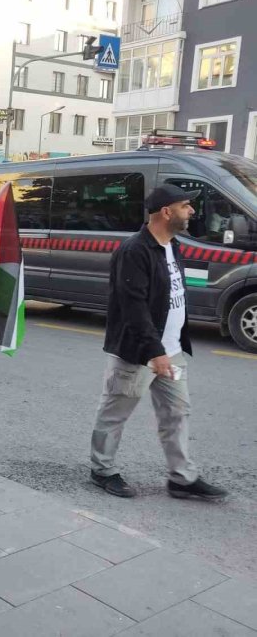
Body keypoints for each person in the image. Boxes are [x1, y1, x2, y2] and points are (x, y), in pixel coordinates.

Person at [90, 183, 228, 501]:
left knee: (177, 412)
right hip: (138, 354)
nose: (191, 211)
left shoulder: (172, 245)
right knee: (115, 412)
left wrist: (170, 348)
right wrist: (154, 352)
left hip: (172, 354)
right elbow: (133, 306)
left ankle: (181, 479)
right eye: (185, 206)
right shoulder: (134, 251)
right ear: (166, 212)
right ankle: (102, 470)